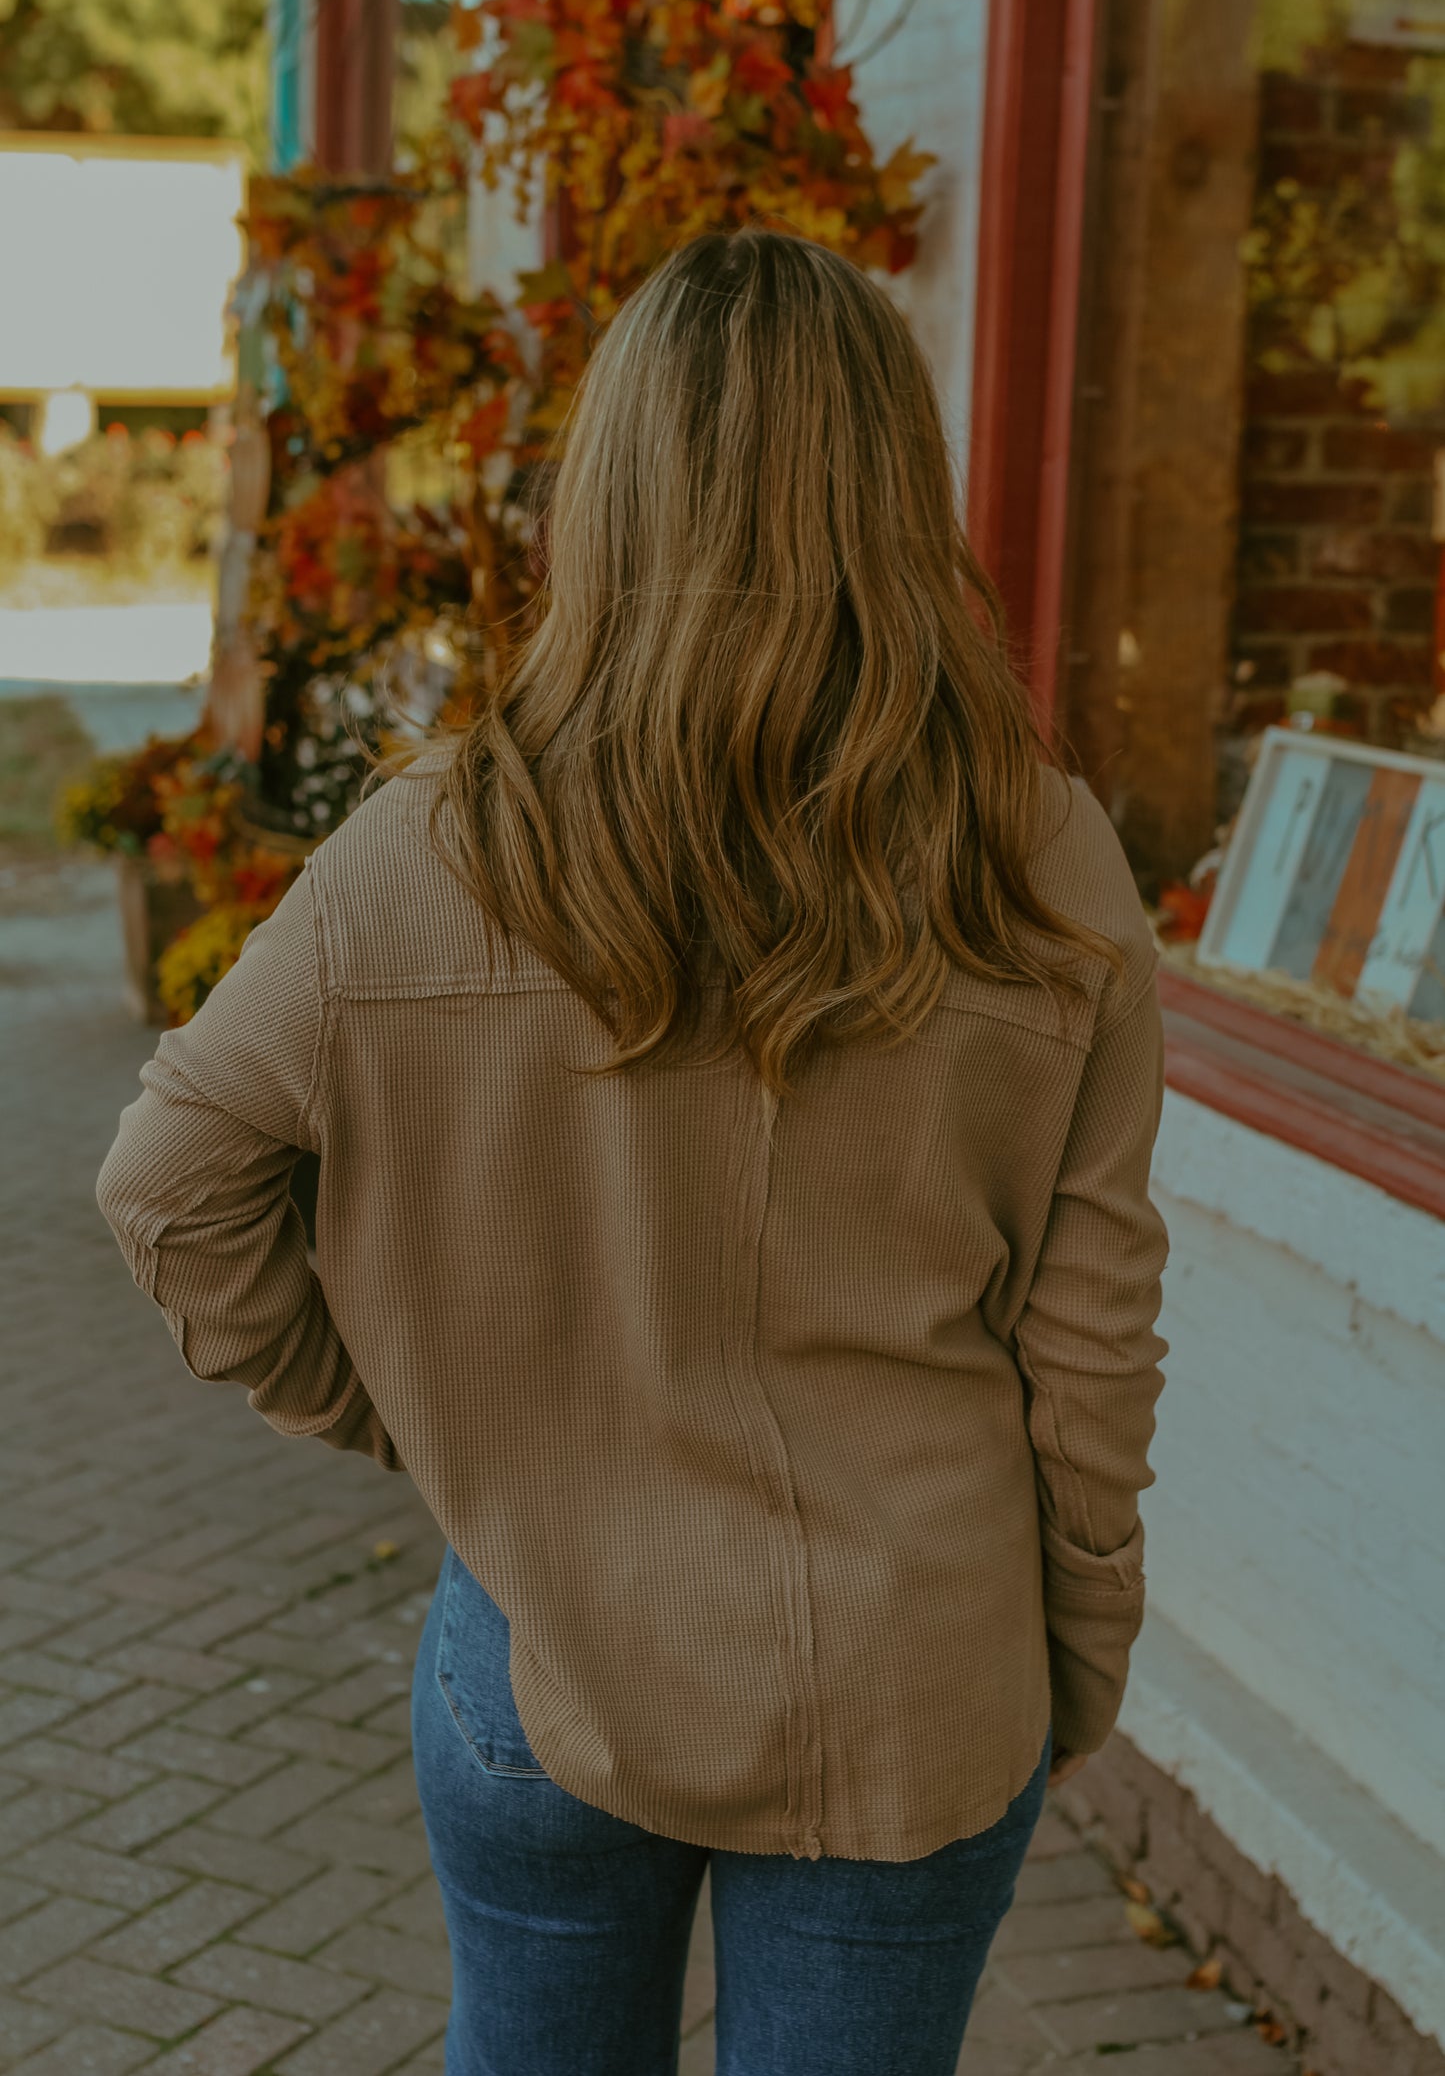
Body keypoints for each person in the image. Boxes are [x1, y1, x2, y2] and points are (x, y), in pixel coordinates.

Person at [96, 227, 1171, 2076]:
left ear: (611, 488)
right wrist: (1075, 1655)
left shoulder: (428, 846)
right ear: (894, 492)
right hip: (914, 1663)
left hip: (541, 1640)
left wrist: (422, 1407)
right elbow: (1088, 1351)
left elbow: (167, 1189)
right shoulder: (1041, 856)